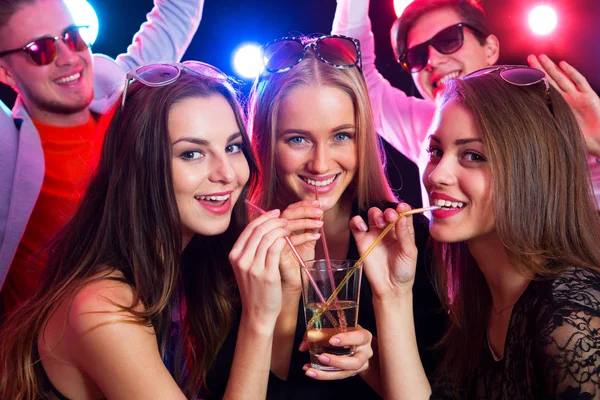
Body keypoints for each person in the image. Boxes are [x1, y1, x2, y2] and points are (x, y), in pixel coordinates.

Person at [0, 63, 307, 399]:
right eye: (192, 154)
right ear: (140, 167)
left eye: (233, 147)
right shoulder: (102, 308)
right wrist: (258, 318)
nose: (228, 174)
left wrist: (288, 289)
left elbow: (273, 380)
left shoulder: (186, 269)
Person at [350, 66, 600, 398]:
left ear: (531, 171)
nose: (437, 175)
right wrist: (393, 293)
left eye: (473, 155)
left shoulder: (570, 323)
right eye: (436, 151)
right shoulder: (477, 299)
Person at [247, 34, 447, 399]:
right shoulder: (241, 248)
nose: (321, 164)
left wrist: (367, 363)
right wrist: (288, 294)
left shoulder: (408, 240)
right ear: (265, 139)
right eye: (297, 139)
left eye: (341, 136)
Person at [0, 0, 204, 314]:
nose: (69, 58)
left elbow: (178, 11)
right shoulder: (7, 149)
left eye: (73, 38)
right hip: (46, 354)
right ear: (5, 71)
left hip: (156, 327)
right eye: (40, 49)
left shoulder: (125, 96)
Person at [331, 0, 600, 209]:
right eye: (416, 55)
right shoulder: (425, 127)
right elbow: (354, 70)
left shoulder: (545, 123)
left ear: (491, 49)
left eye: (449, 40)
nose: (432, 60)